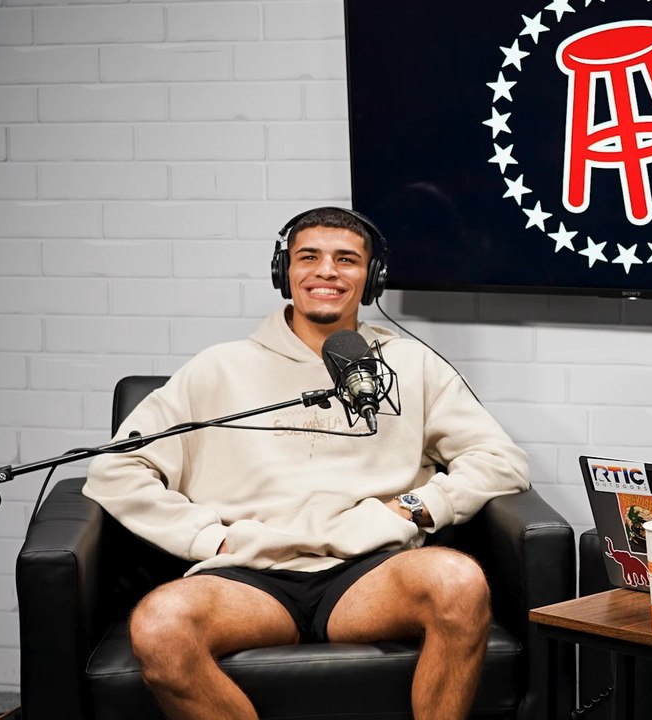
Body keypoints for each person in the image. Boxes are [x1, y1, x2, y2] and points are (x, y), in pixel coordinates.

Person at [83, 206, 529, 720]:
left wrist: (415, 506)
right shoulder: (217, 368)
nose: (327, 272)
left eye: (347, 259)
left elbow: (500, 460)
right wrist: (208, 537)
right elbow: (115, 471)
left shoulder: (411, 364)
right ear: (284, 271)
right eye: (308, 257)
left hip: (370, 571)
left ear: (372, 277)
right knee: (160, 624)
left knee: (458, 581)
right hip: (249, 576)